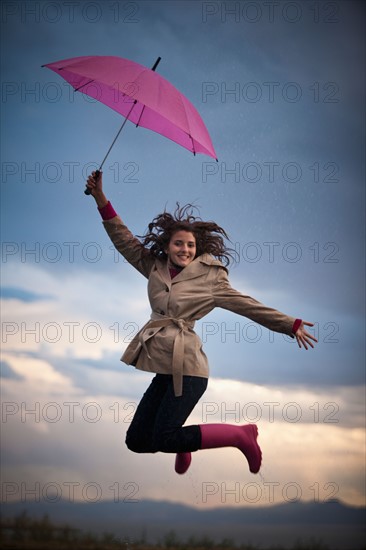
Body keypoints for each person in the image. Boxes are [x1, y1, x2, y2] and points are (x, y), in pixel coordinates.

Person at [86, 171, 317, 476]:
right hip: (166, 371)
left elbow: (248, 305)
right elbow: (124, 240)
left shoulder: (210, 279)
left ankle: (240, 435)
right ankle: (184, 445)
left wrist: (290, 324)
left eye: (191, 246)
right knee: (138, 441)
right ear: (167, 246)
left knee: (165, 437)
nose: (185, 250)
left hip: (190, 370)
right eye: (179, 244)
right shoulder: (154, 267)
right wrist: (100, 197)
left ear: (198, 249)